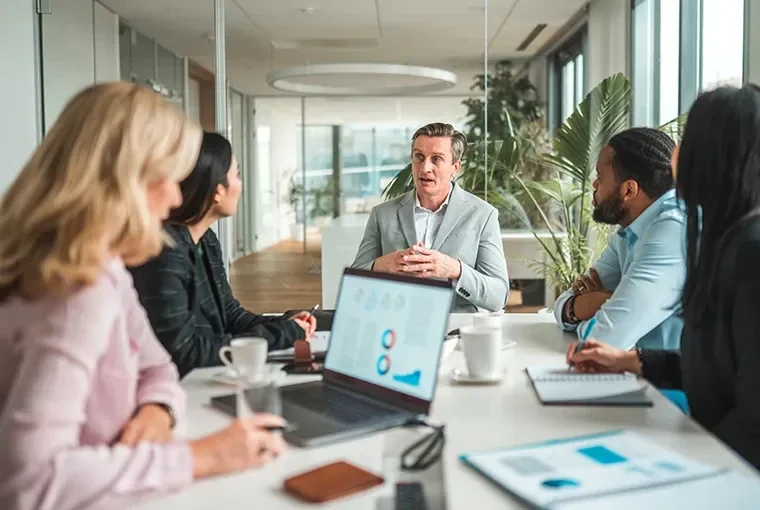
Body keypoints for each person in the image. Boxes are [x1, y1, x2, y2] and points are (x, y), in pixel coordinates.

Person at [0, 83, 287, 510]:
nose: (176, 196)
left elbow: (158, 365)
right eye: (167, 177)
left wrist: (158, 408)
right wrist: (202, 456)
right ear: (122, 180)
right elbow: (30, 482)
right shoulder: (77, 293)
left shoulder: (105, 267)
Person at [567, 85, 760, 494]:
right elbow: (730, 365)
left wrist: (680, 465)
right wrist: (633, 361)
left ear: (717, 156)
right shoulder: (729, 237)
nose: (675, 156)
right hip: (737, 457)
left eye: (689, 141)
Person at [129, 132, 316, 378]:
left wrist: (286, 324)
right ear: (217, 192)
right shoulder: (163, 254)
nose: (240, 184)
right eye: (236, 174)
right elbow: (186, 353)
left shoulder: (206, 240)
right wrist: (283, 333)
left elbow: (230, 315)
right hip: (186, 387)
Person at [351, 122, 509, 313]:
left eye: (437, 159)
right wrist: (383, 265)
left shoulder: (483, 215)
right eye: (419, 157)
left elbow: (498, 297)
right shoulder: (382, 214)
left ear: (455, 167)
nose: (425, 168)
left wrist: (455, 270)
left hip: (458, 325)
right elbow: (354, 286)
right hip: (396, 322)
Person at [554, 128, 686, 350]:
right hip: (638, 365)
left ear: (628, 190)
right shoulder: (629, 232)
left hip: (674, 371)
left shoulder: (672, 229)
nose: (594, 185)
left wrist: (597, 307)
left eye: (600, 177)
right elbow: (562, 306)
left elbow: (602, 340)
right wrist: (588, 305)